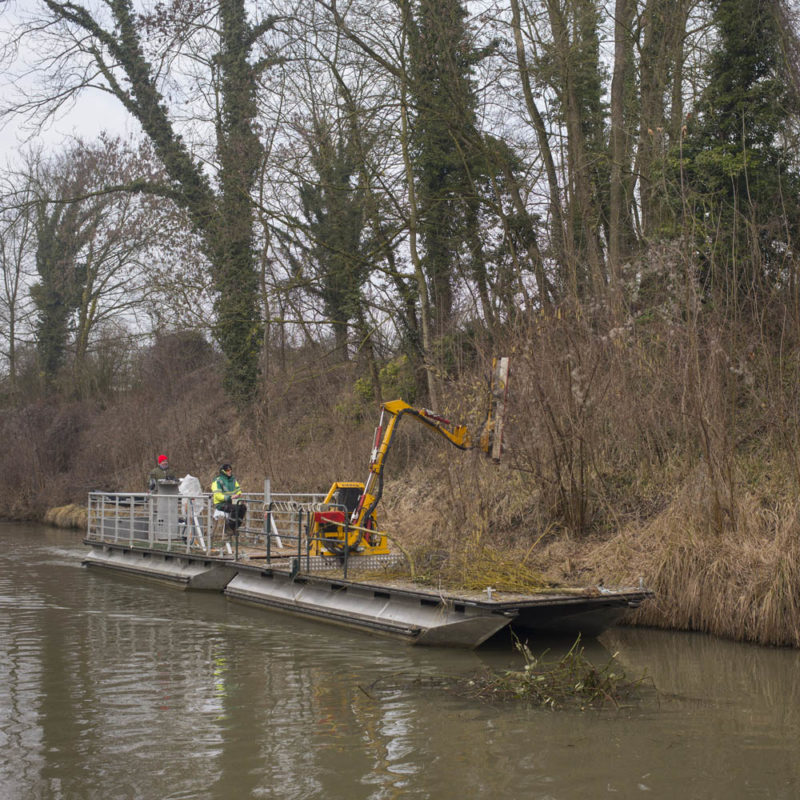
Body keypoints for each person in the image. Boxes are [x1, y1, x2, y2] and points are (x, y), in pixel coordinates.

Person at [211, 463, 247, 530]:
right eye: (227, 470)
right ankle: (230, 528)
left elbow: (238, 491)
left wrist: (240, 498)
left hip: (232, 501)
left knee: (243, 507)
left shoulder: (233, 480)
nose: (230, 471)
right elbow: (217, 495)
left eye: (230, 470)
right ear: (223, 471)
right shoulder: (217, 481)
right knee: (235, 508)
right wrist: (229, 498)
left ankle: (236, 527)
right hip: (221, 503)